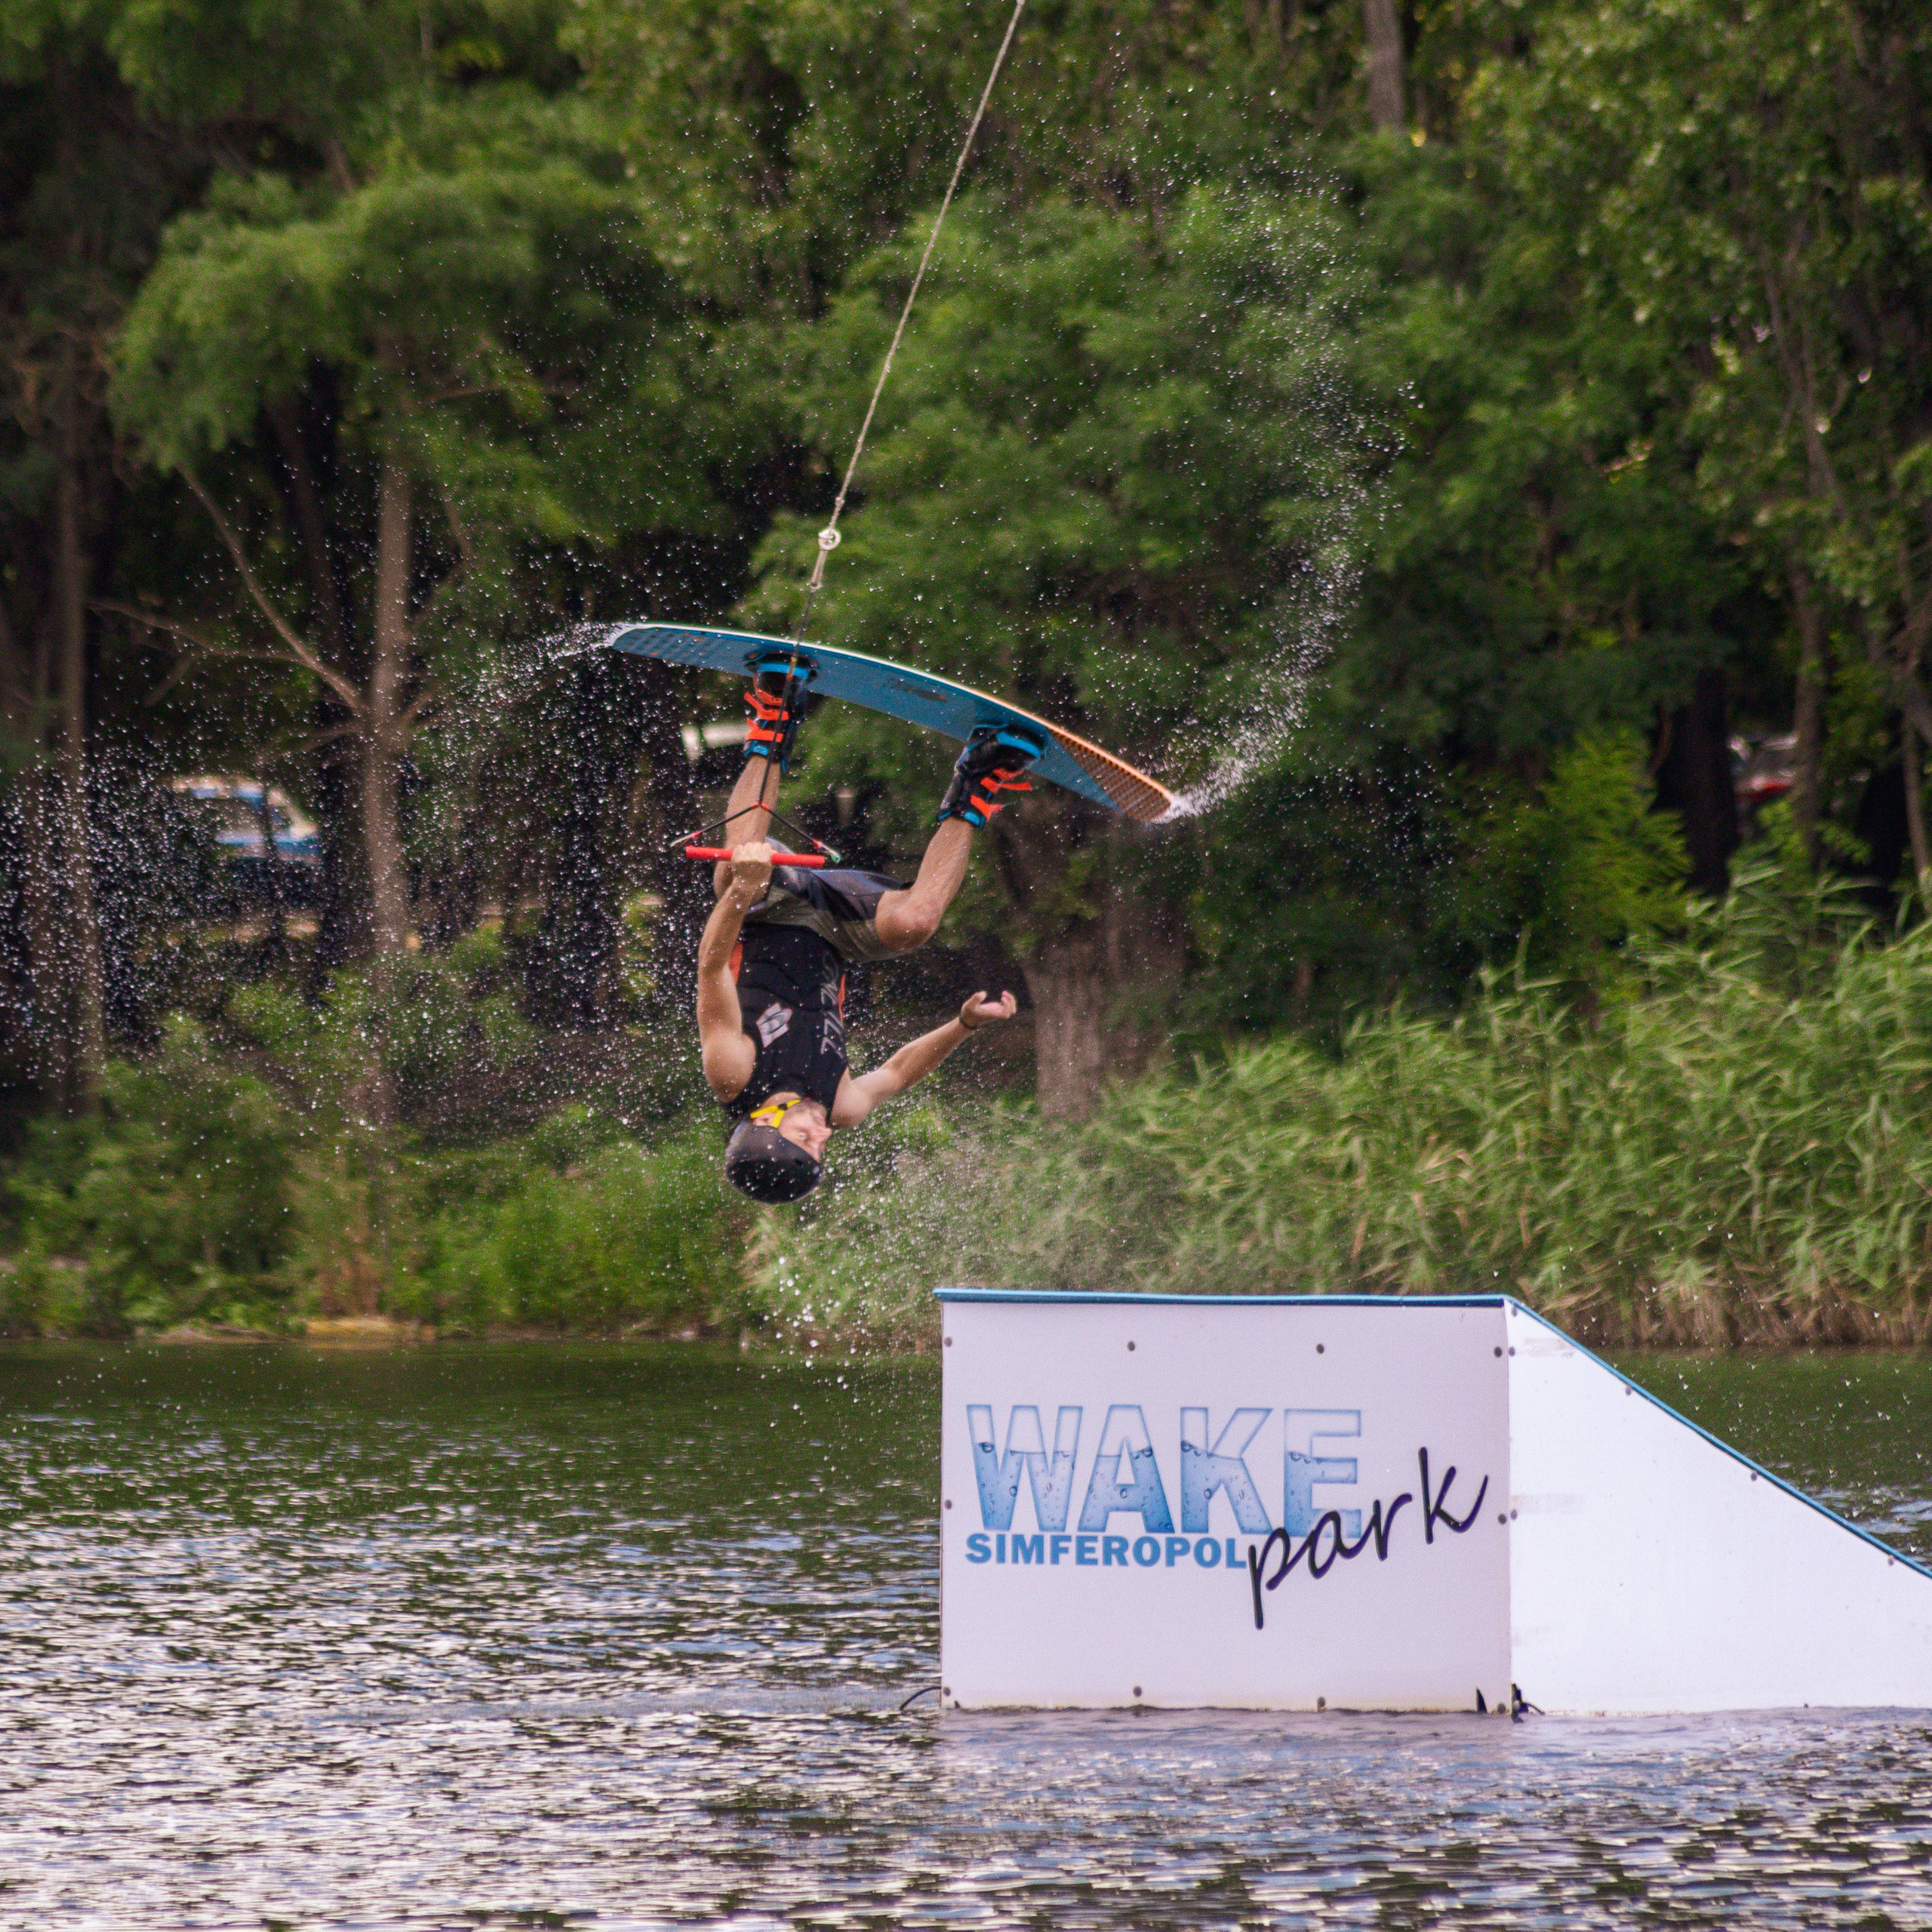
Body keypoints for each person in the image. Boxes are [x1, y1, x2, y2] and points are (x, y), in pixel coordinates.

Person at [696, 655, 1044, 1202]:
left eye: (804, 1139)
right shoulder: (840, 1106)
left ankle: (774, 716)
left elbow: (712, 966)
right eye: (819, 1149)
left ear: (764, 1123)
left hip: (768, 905)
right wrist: (964, 1025)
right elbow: (898, 1073)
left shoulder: (732, 1074)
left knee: (729, 871)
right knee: (916, 923)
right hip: (838, 930)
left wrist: (743, 886)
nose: (822, 1136)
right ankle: (978, 776)